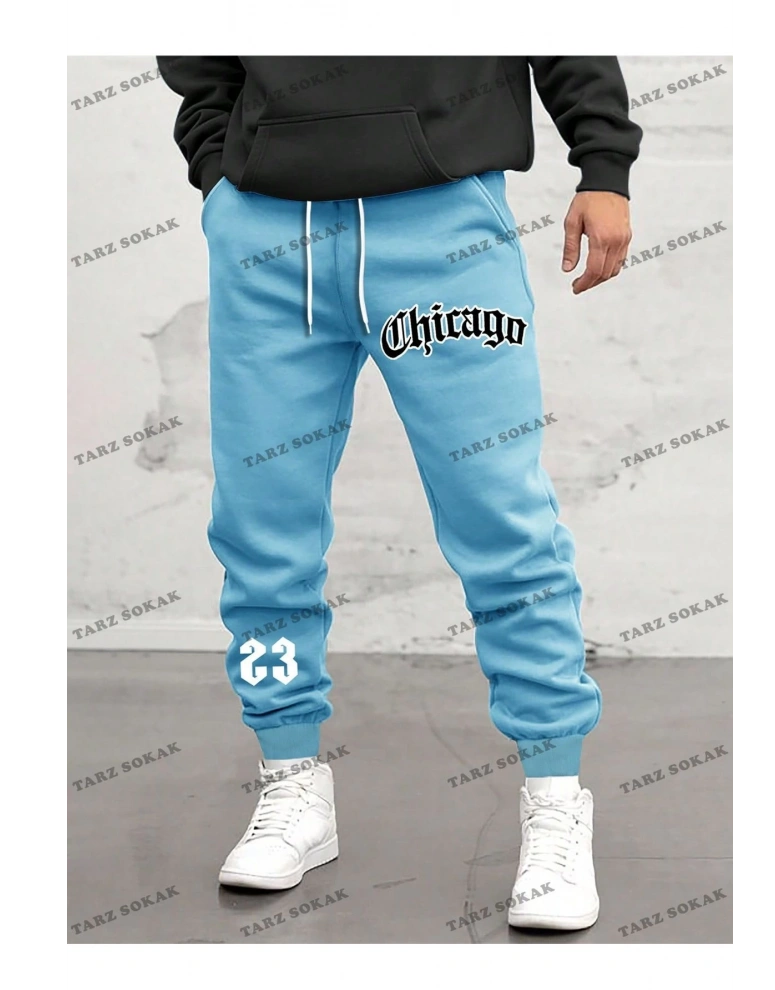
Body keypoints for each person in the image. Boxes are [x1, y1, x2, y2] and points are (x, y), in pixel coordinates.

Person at [156, 55, 642, 931]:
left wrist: (603, 164)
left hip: (443, 225)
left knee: (502, 521)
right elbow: (198, 53)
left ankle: (556, 797)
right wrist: (219, 177)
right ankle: (290, 778)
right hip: (268, 234)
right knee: (260, 529)